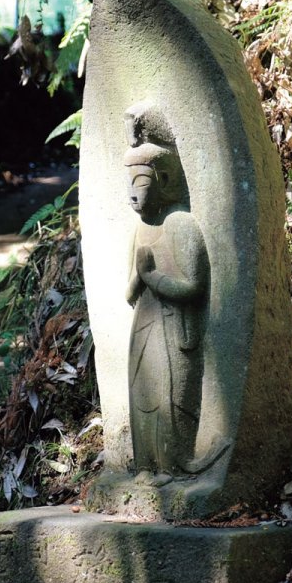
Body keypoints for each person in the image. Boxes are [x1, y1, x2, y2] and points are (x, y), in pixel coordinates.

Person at [123, 102, 209, 477]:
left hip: (174, 329)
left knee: (168, 397)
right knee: (142, 394)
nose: (131, 193)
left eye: (139, 184)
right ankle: (145, 465)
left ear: (165, 181)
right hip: (143, 326)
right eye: (127, 184)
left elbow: (193, 286)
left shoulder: (181, 224)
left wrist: (153, 277)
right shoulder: (140, 230)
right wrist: (140, 277)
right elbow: (129, 293)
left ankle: (174, 464)